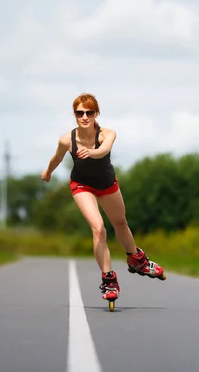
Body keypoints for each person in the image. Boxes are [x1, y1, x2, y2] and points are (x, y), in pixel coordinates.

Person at [41, 92, 165, 303]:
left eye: (89, 112)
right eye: (80, 113)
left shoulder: (107, 134)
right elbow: (57, 157)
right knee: (99, 229)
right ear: (75, 115)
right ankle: (109, 280)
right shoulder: (66, 140)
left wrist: (91, 152)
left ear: (96, 113)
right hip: (82, 186)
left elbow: (105, 149)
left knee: (120, 223)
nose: (84, 116)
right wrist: (48, 172)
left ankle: (136, 259)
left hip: (107, 185)